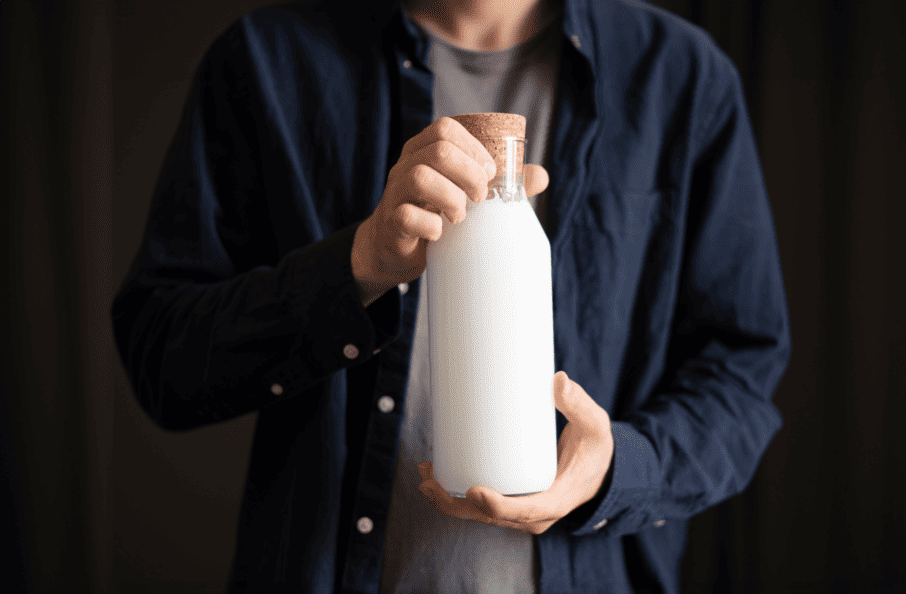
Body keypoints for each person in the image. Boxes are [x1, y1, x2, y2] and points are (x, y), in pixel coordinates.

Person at [111, 0, 791, 592]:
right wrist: (357, 265)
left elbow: (741, 375)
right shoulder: (266, 61)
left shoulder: (681, 77)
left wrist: (618, 465)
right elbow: (162, 357)